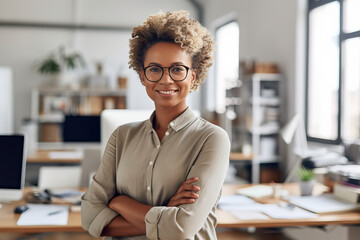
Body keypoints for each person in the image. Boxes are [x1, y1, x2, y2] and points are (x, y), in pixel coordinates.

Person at [81, 10, 230, 240]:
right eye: (155, 69)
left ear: (193, 76)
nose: (166, 79)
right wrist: (167, 211)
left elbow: (181, 230)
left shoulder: (212, 139)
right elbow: (90, 217)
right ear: (142, 76)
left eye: (178, 69)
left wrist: (118, 201)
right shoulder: (121, 137)